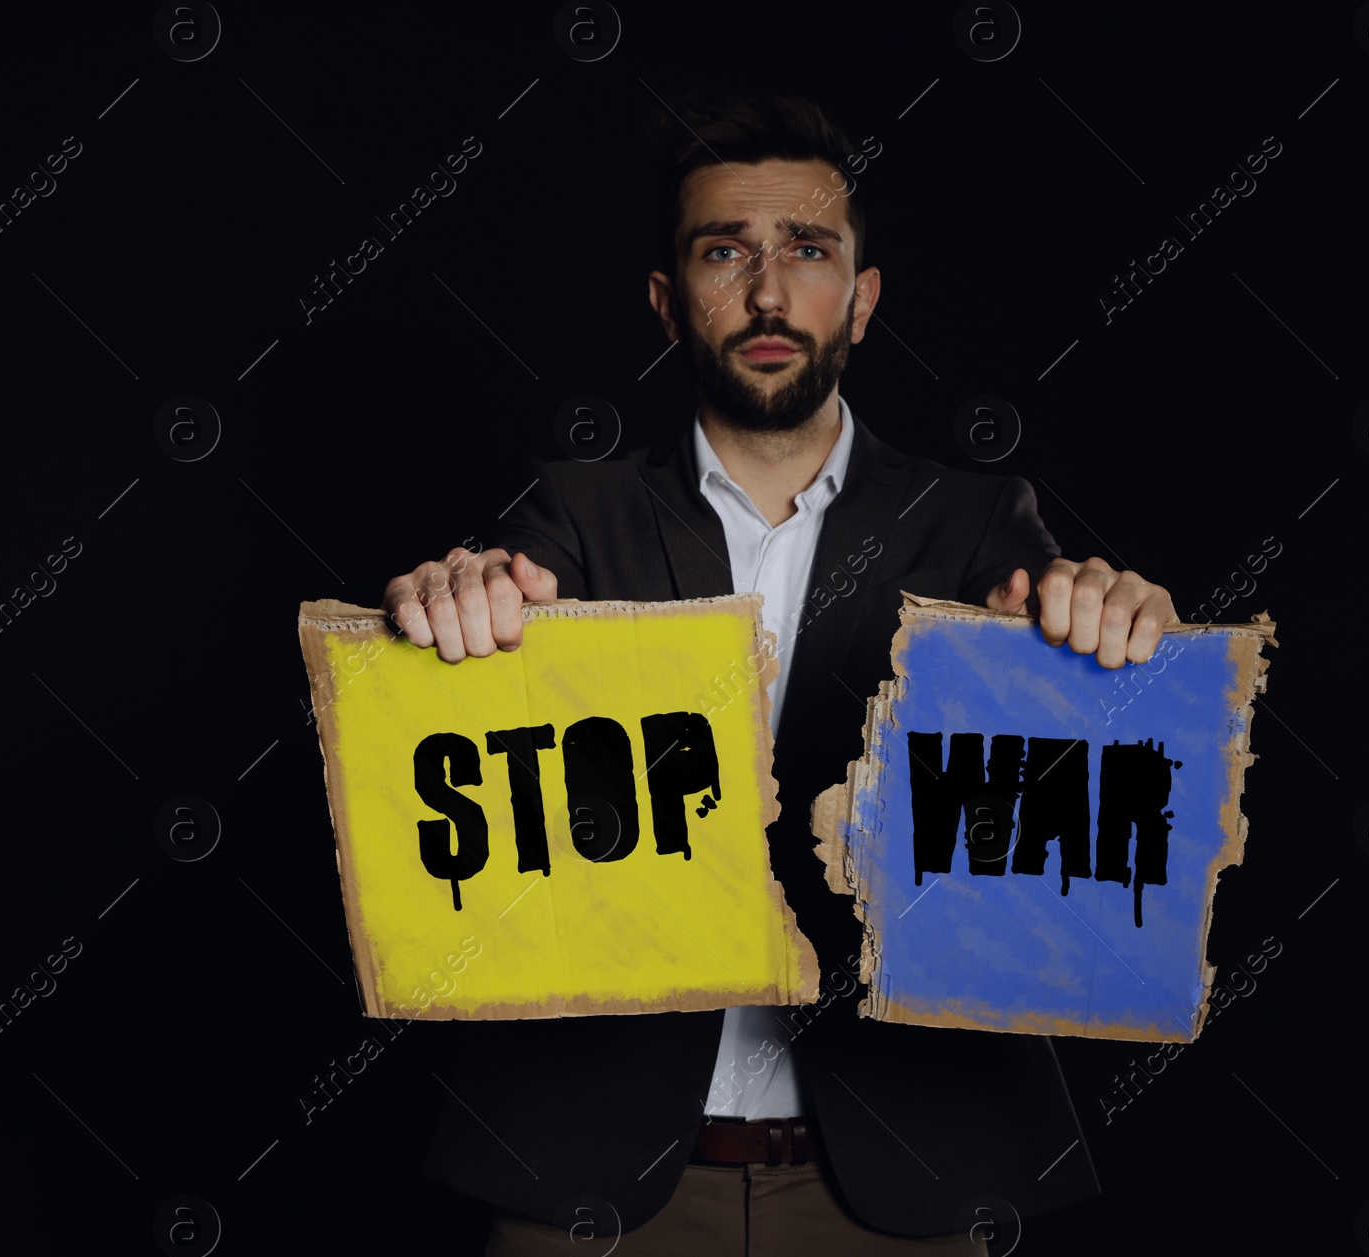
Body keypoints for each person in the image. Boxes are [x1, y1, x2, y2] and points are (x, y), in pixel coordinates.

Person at [386, 91, 1176, 1255]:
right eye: (724, 253)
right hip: (596, 1184)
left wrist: (1108, 621)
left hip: (903, 1177)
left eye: (807, 251)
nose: (767, 295)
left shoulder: (972, 519)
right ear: (667, 306)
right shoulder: (575, 511)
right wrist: (452, 604)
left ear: (860, 299)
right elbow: (496, 609)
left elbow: (1066, 643)